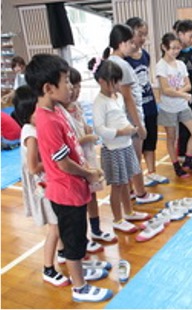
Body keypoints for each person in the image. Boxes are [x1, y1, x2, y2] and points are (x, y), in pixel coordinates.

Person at [25, 53, 112, 302]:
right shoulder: (48, 121)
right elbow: (62, 163)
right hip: (66, 192)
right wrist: (88, 172)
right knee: (73, 243)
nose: (71, 87)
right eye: (67, 82)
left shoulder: (57, 109)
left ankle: (79, 273)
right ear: (49, 88)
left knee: (78, 236)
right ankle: (80, 287)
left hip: (74, 189)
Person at [89, 58, 161, 242]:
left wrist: (130, 128)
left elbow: (121, 117)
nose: (117, 85)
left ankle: (128, 212)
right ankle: (117, 218)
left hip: (125, 145)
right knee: (117, 186)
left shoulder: (117, 96)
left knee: (126, 182)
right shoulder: (99, 102)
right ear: (102, 81)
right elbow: (100, 129)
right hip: (112, 150)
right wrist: (121, 131)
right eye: (114, 82)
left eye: (118, 81)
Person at [14, 85, 70, 287]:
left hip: (46, 181)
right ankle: (48, 268)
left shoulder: (34, 128)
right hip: (41, 185)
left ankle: (63, 253)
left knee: (59, 220)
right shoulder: (31, 133)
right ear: (30, 113)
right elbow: (31, 167)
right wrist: (52, 160)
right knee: (54, 226)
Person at [104, 23, 162, 204]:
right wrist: (139, 126)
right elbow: (129, 99)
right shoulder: (122, 65)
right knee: (134, 159)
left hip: (119, 120)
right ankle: (141, 193)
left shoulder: (110, 63)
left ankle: (129, 191)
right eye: (130, 42)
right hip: (129, 120)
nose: (134, 45)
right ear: (121, 43)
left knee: (128, 159)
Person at [59, 67, 117, 244]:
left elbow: (82, 126)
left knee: (92, 195)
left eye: (77, 86)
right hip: (75, 161)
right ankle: (82, 238)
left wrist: (87, 130)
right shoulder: (60, 113)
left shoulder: (76, 107)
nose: (74, 91)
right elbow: (68, 143)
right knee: (79, 201)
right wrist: (86, 138)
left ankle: (96, 229)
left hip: (86, 157)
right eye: (71, 85)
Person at [125, 17, 169, 187]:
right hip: (135, 109)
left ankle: (151, 172)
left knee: (151, 141)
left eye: (145, 35)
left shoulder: (146, 55)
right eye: (140, 34)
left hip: (149, 104)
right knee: (135, 146)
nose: (143, 38)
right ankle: (133, 182)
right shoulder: (124, 59)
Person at [156, 32, 192, 178]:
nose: (176, 51)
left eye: (178, 48)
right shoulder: (161, 66)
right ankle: (176, 165)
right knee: (171, 138)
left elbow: (188, 85)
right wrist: (183, 94)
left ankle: (188, 161)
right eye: (172, 48)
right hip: (168, 108)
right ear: (164, 47)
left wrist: (180, 92)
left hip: (182, 106)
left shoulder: (180, 64)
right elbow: (166, 90)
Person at [174, 19, 192, 162]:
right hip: (180, 97)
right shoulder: (174, 54)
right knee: (182, 126)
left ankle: (189, 153)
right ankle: (181, 153)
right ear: (180, 34)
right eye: (190, 36)